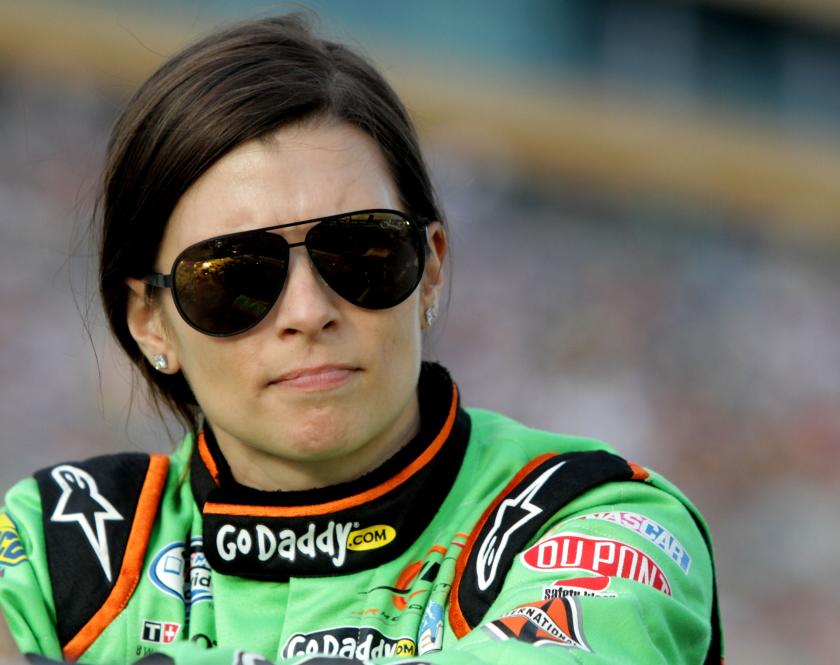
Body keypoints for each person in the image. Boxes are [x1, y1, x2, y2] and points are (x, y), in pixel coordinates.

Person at [0, 14, 724, 665]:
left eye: (362, 254)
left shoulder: (604, 518)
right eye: (234, 276)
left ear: (431, 268)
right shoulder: (58, 540)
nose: (308, 310)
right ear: (150, 321)